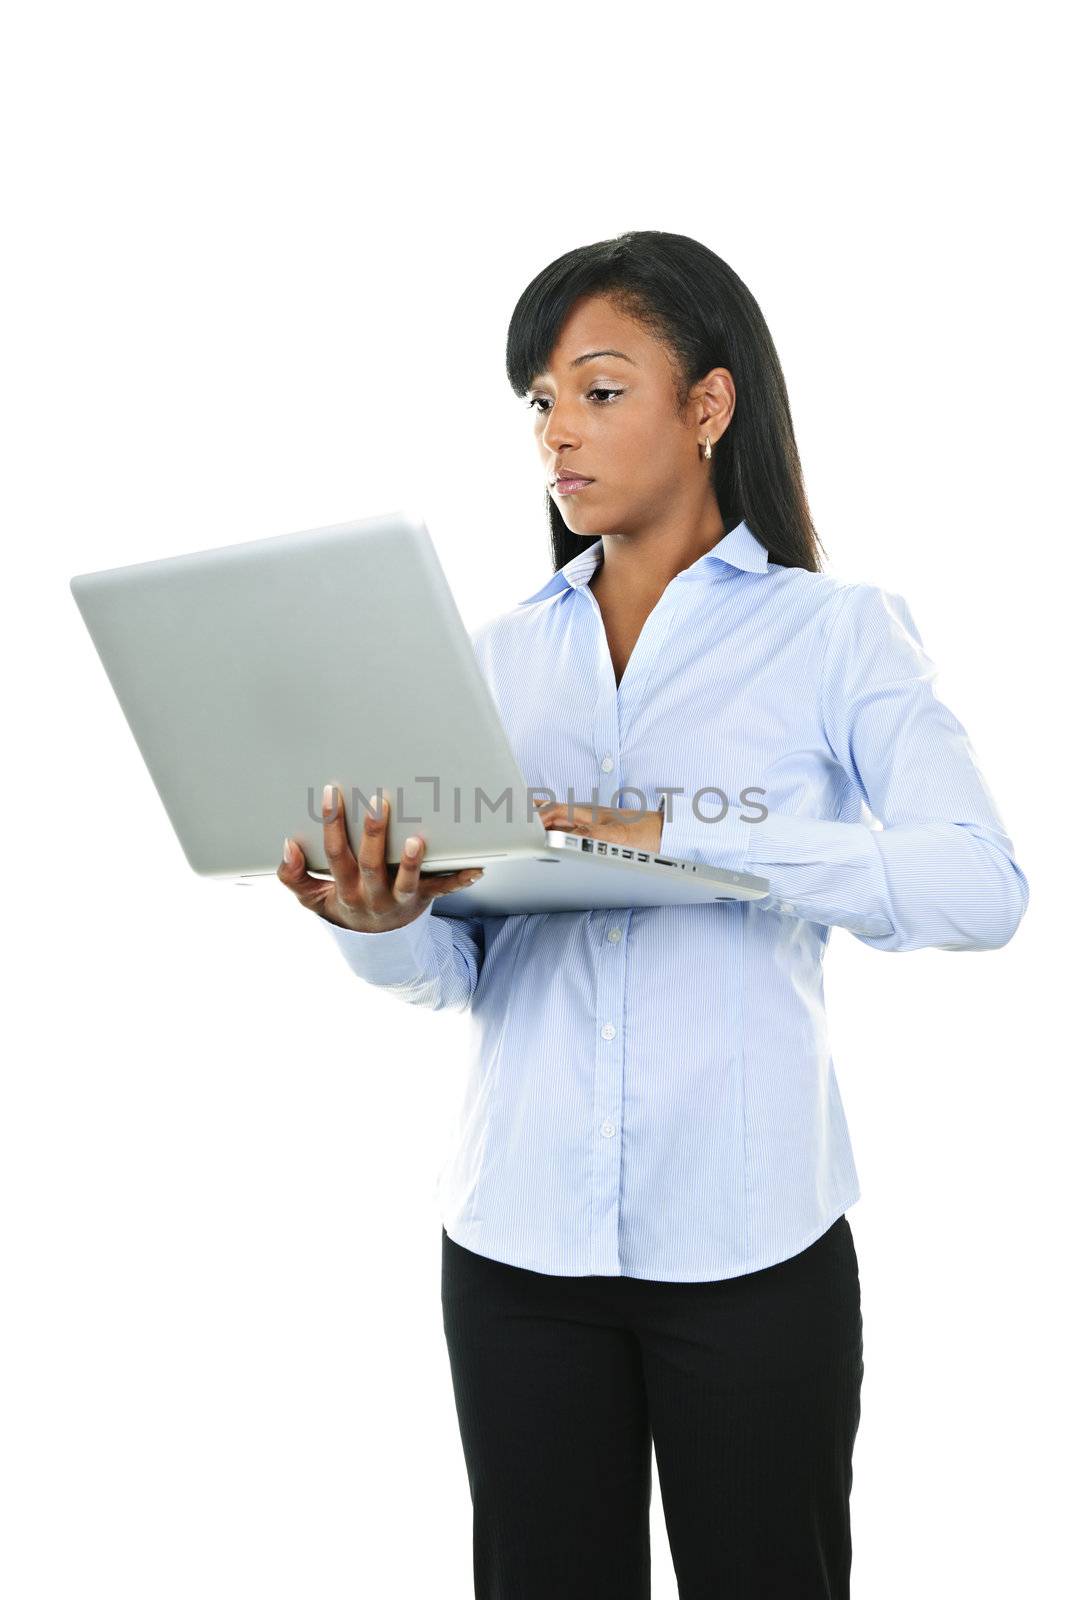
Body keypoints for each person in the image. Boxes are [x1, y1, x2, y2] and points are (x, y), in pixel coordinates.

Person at [277, 230, 1029, 1599]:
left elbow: (982, 889)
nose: (557, 431)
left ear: (708, 405)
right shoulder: (493, 658)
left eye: (599, 389)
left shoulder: (838, 635)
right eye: (540, 403)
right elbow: (452, 976)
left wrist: (671, 835)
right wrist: (374, 918)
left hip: (752, 1248)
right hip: (515, 1249)